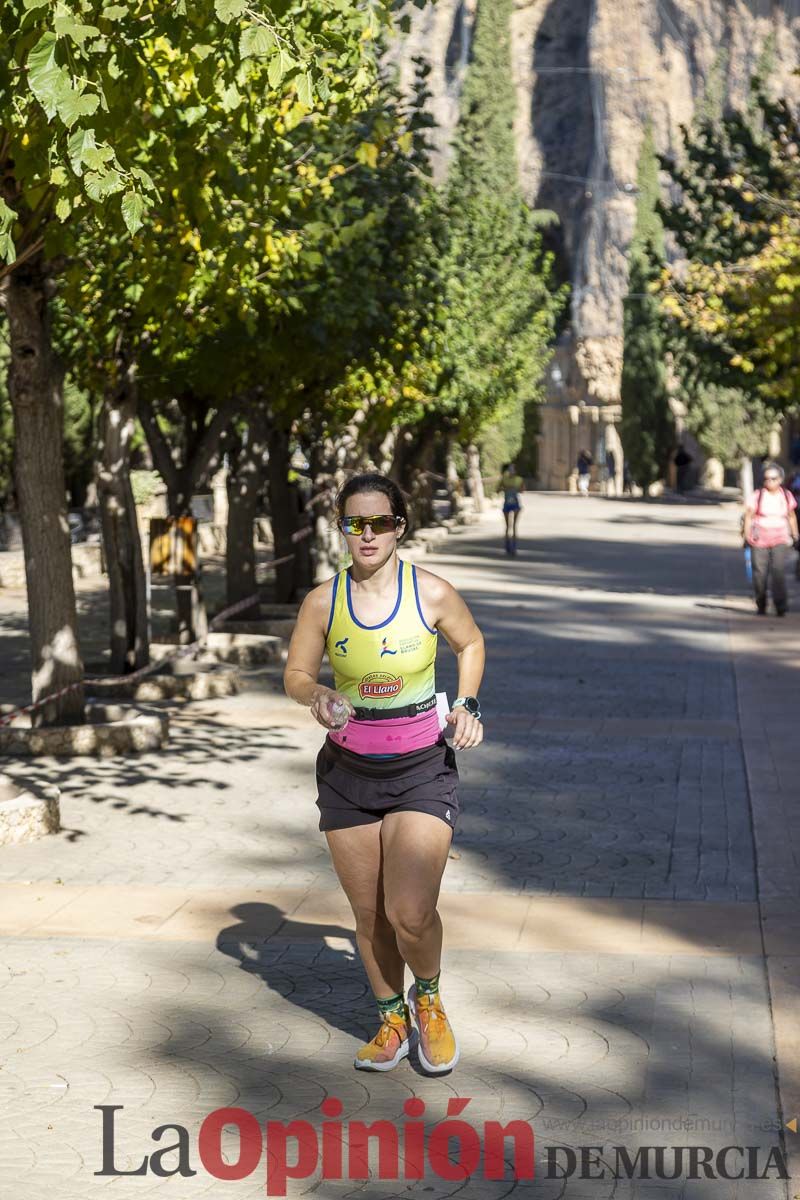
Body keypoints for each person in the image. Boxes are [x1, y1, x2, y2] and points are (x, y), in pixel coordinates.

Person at [283, 472, 485, 1074]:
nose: (367, 534)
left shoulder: (433, 593)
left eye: (380, 522)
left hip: (422, 768)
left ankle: (430, 1002)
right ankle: (392, 1019)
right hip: (347, 773)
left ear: (400, 526)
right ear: (342, 528)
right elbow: (296, 675)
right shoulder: (323, 601)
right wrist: (316, 694)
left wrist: (467, 704)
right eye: (355, 523)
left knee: (410, 910)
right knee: (370, 915)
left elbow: (470, 644)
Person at [743, 462, 799, 616]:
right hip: (759, 539)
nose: (770, 482)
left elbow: (791, 516)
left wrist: (795, 535)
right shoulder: (757, 495)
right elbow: (748, 517)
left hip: (780, 538)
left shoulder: (786, 496)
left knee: (778, 573)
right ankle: (761, 603)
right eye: (766, 479)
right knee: (759, 574)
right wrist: (746, 536)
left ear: (780, 479)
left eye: (773, 479)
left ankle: (781, 606)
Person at [500, 461, 523, 556]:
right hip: (506, 504)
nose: (511, 471)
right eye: (510, 469)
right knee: (507, 526)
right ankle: (507, 545)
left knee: (514, 526)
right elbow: (498, 489)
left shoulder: (519, 479)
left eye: (513, 469)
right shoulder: (504, 479)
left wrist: (515, 488)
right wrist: (505, 488)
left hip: (515, 504)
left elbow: (522, 490)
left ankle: (514, 547)